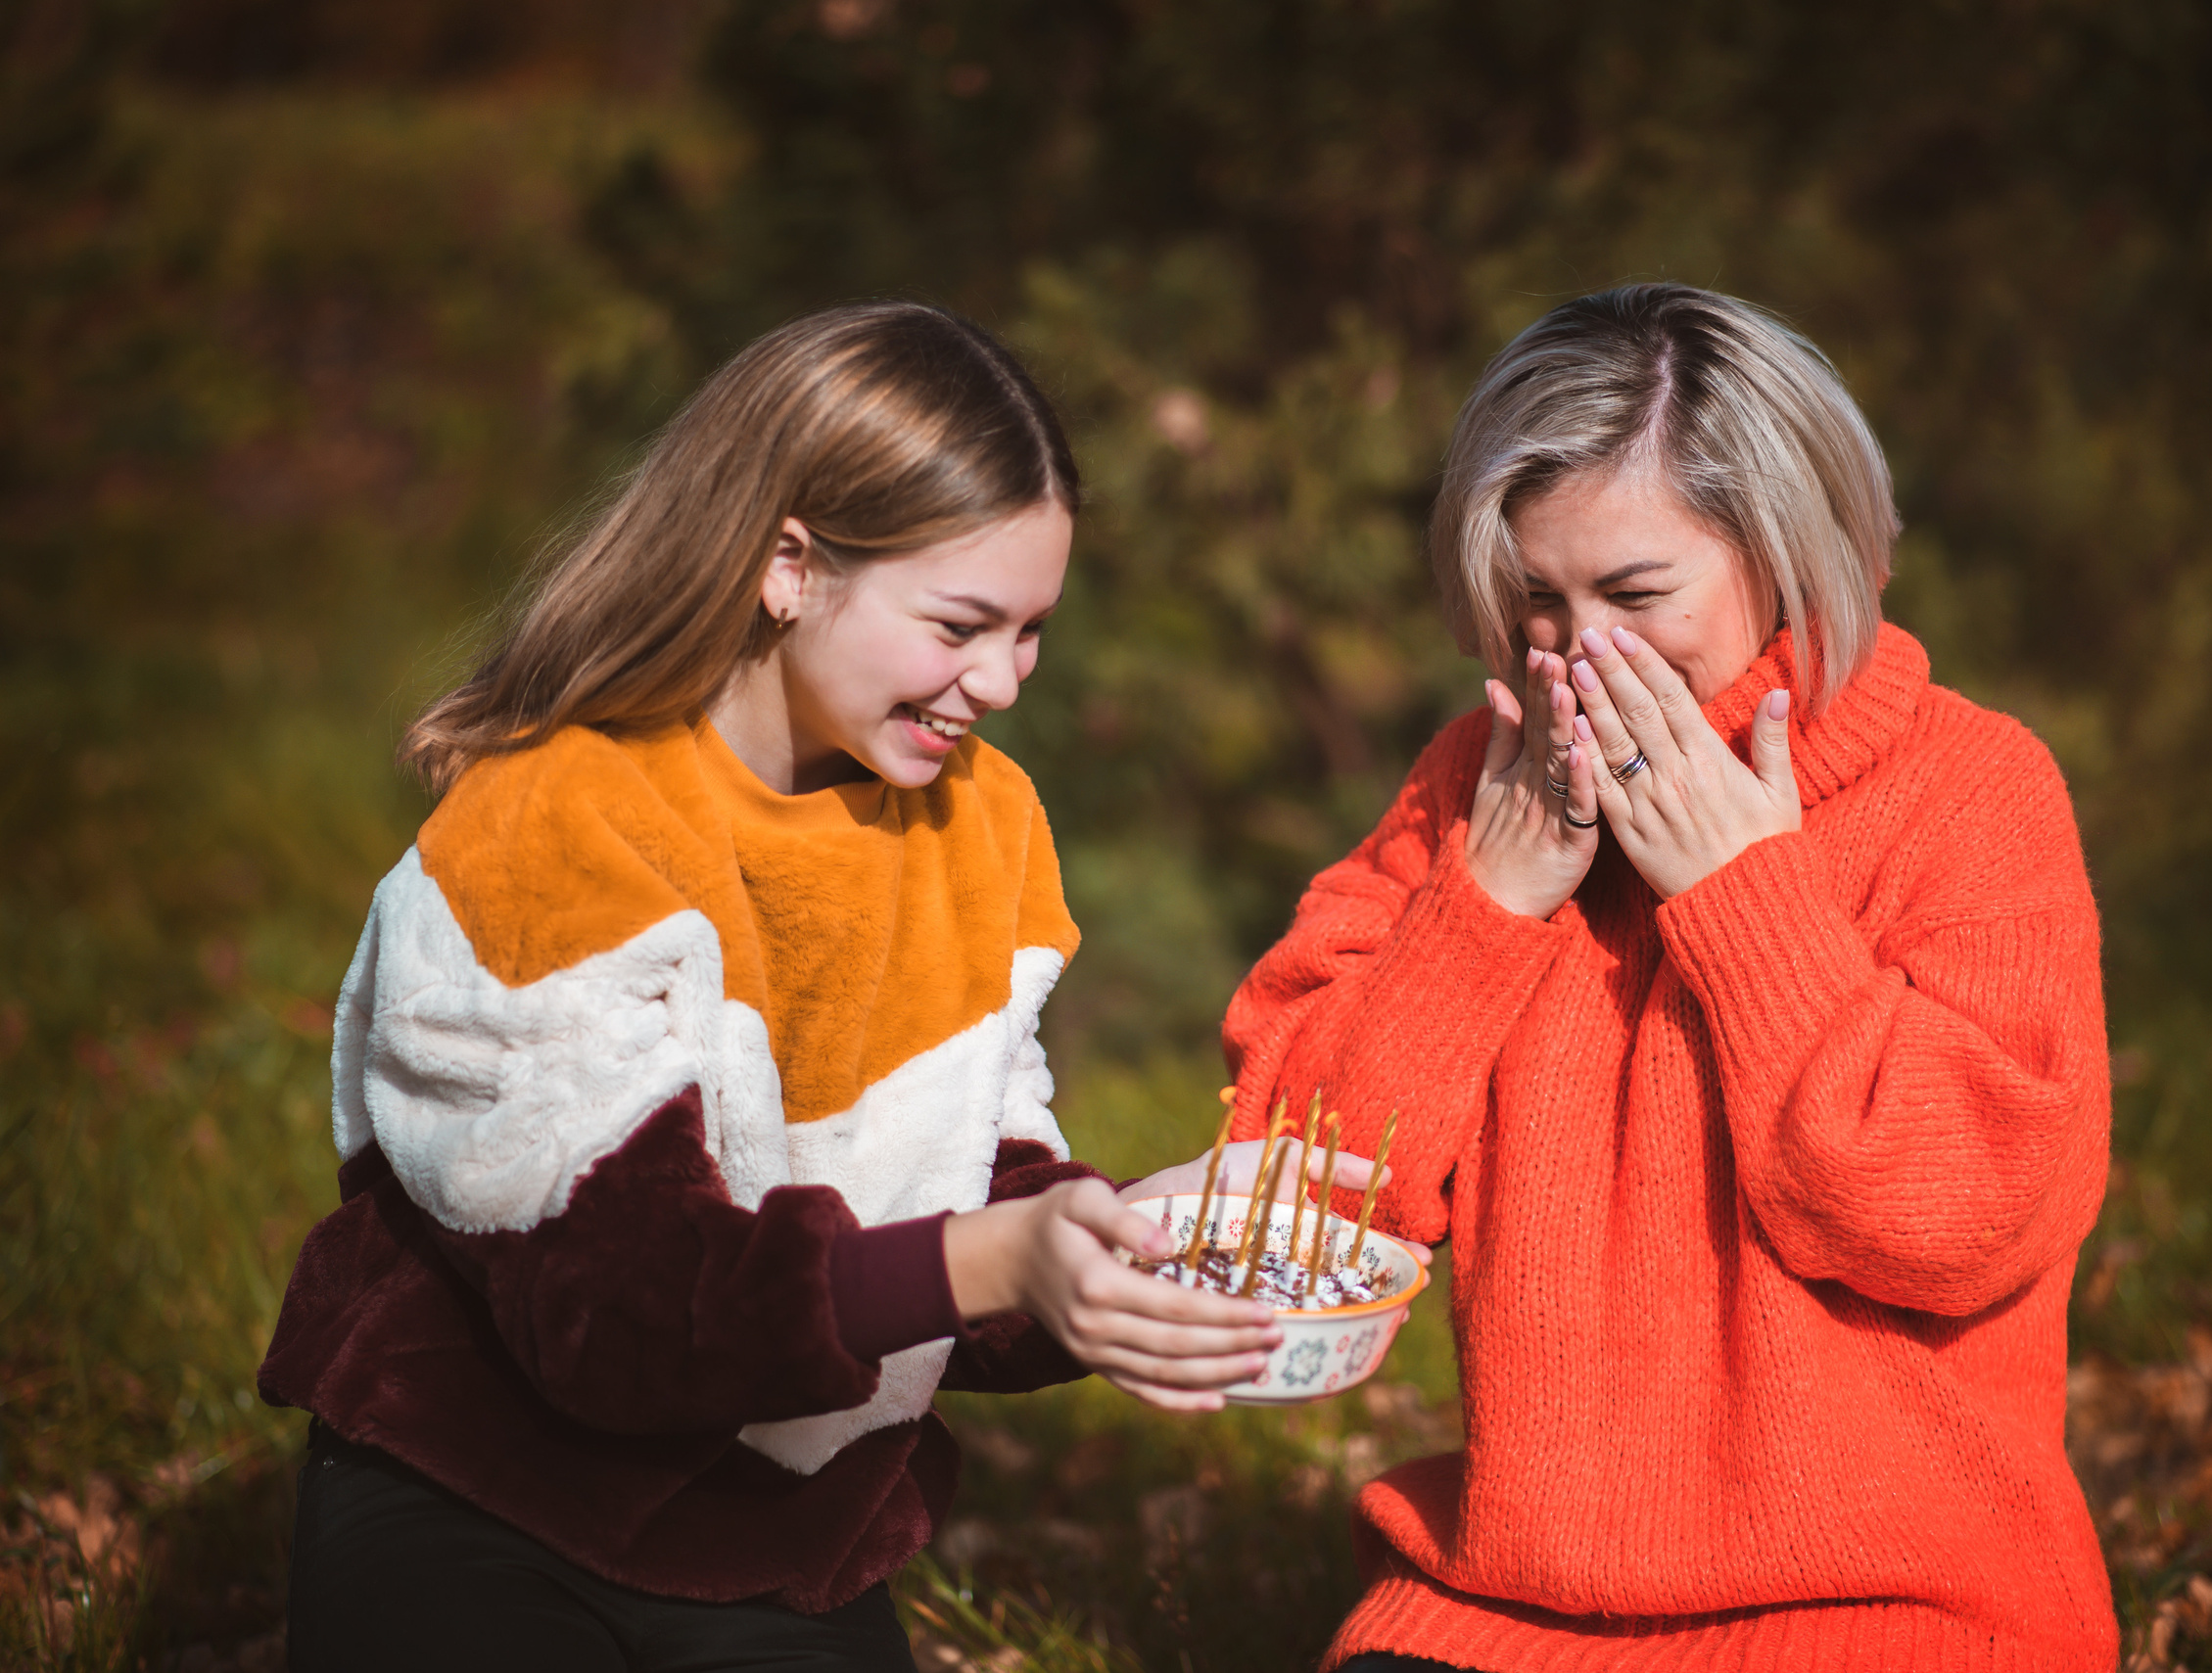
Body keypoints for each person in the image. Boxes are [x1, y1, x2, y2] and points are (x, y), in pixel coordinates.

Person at [258, 302, 1373, 1673]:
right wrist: (992, 1259)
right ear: (790, 563)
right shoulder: (558, 818)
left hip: (775, 1535)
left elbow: (962, 1220)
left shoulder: (987, 828)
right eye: (963, 623)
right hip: (483, 1488)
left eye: (1031, 632)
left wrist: (1125, 1236)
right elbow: (617, 1314)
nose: (1005, 683)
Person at [1223, 284, 2118, 1671]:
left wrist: (1741, 895)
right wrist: (1484, 908)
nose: (1584, 651)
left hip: (1899, 1611)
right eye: (1537, 600)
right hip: (1503, 1611)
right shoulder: (1476, 786)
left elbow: (1965, 1220)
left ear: (1789, 551)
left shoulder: (1973, 788)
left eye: (1638, 594)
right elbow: (1292, 1188)